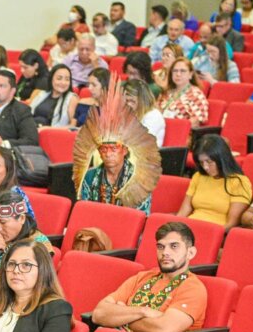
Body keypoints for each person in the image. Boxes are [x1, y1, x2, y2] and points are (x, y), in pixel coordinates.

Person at [93, 222, 208, 332]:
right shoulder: (143, 277)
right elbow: (99, 314)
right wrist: (143, 311)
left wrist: (121, 314)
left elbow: (162, 331)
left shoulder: (193, 288)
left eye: (174, 246)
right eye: (160, 247)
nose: (165, 253)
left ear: (191, 253)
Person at [76, 81, 160, 215]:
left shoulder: (152, 116)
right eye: (123, 102)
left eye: (131, 101)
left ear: (141, 101)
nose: (126, 105)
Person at [178, 134, 252, 230]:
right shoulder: (199, 176)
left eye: (209, 162)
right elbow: (184, 210)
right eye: (201, 162)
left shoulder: (239, 182)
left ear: (222, 158)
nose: (205, 167)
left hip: (215, 231)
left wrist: (212, 236)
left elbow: (232, 223)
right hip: (189, 228)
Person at [158, 57, 208, 127]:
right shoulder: (166, 93)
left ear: (190, 74)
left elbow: (195, 122)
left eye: (183, 71)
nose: (178, 74)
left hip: (181, 132)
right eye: (175, 71)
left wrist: (175, 126)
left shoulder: (195, 94)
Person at [124, 79, 166, 146]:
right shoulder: (130, 113)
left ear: (142, 100)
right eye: (126, 101)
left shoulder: (153, 115)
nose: (128, 104)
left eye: (132, 101)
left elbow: (142, 141)